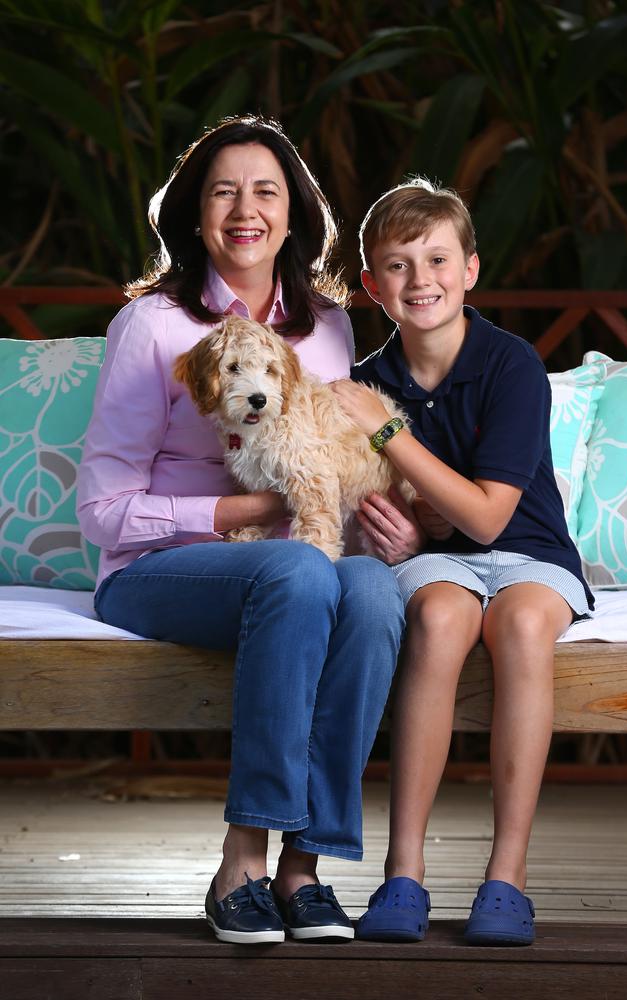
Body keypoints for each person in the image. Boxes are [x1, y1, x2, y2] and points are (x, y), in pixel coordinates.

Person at [76, 115, 404, 945]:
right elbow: (102, 506)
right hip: (159, 568)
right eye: (224, 191)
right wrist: (247, 514)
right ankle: (242, 861)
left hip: (295, 565)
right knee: (297, 570)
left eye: (267, 191)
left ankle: (306, 867)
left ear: (294, 213)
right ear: (195, 213)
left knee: (368, 588)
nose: (245, 209)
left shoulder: (327, 326)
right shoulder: (153, 326)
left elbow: (328, 459)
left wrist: (382, 519)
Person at [331, 178, 593, 946]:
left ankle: (506, 877)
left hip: (532, 554)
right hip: (437, 562)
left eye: (438, 259)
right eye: (399, 266)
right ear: (373, 287)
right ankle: (402, 871)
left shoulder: (511, 363)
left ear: (470, 269)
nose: (422, 280)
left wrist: (391, 436)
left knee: (517, 626)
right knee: (441, 619)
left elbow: (488, 514)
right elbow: (369, 512)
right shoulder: (368, 383)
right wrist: (397, 526)